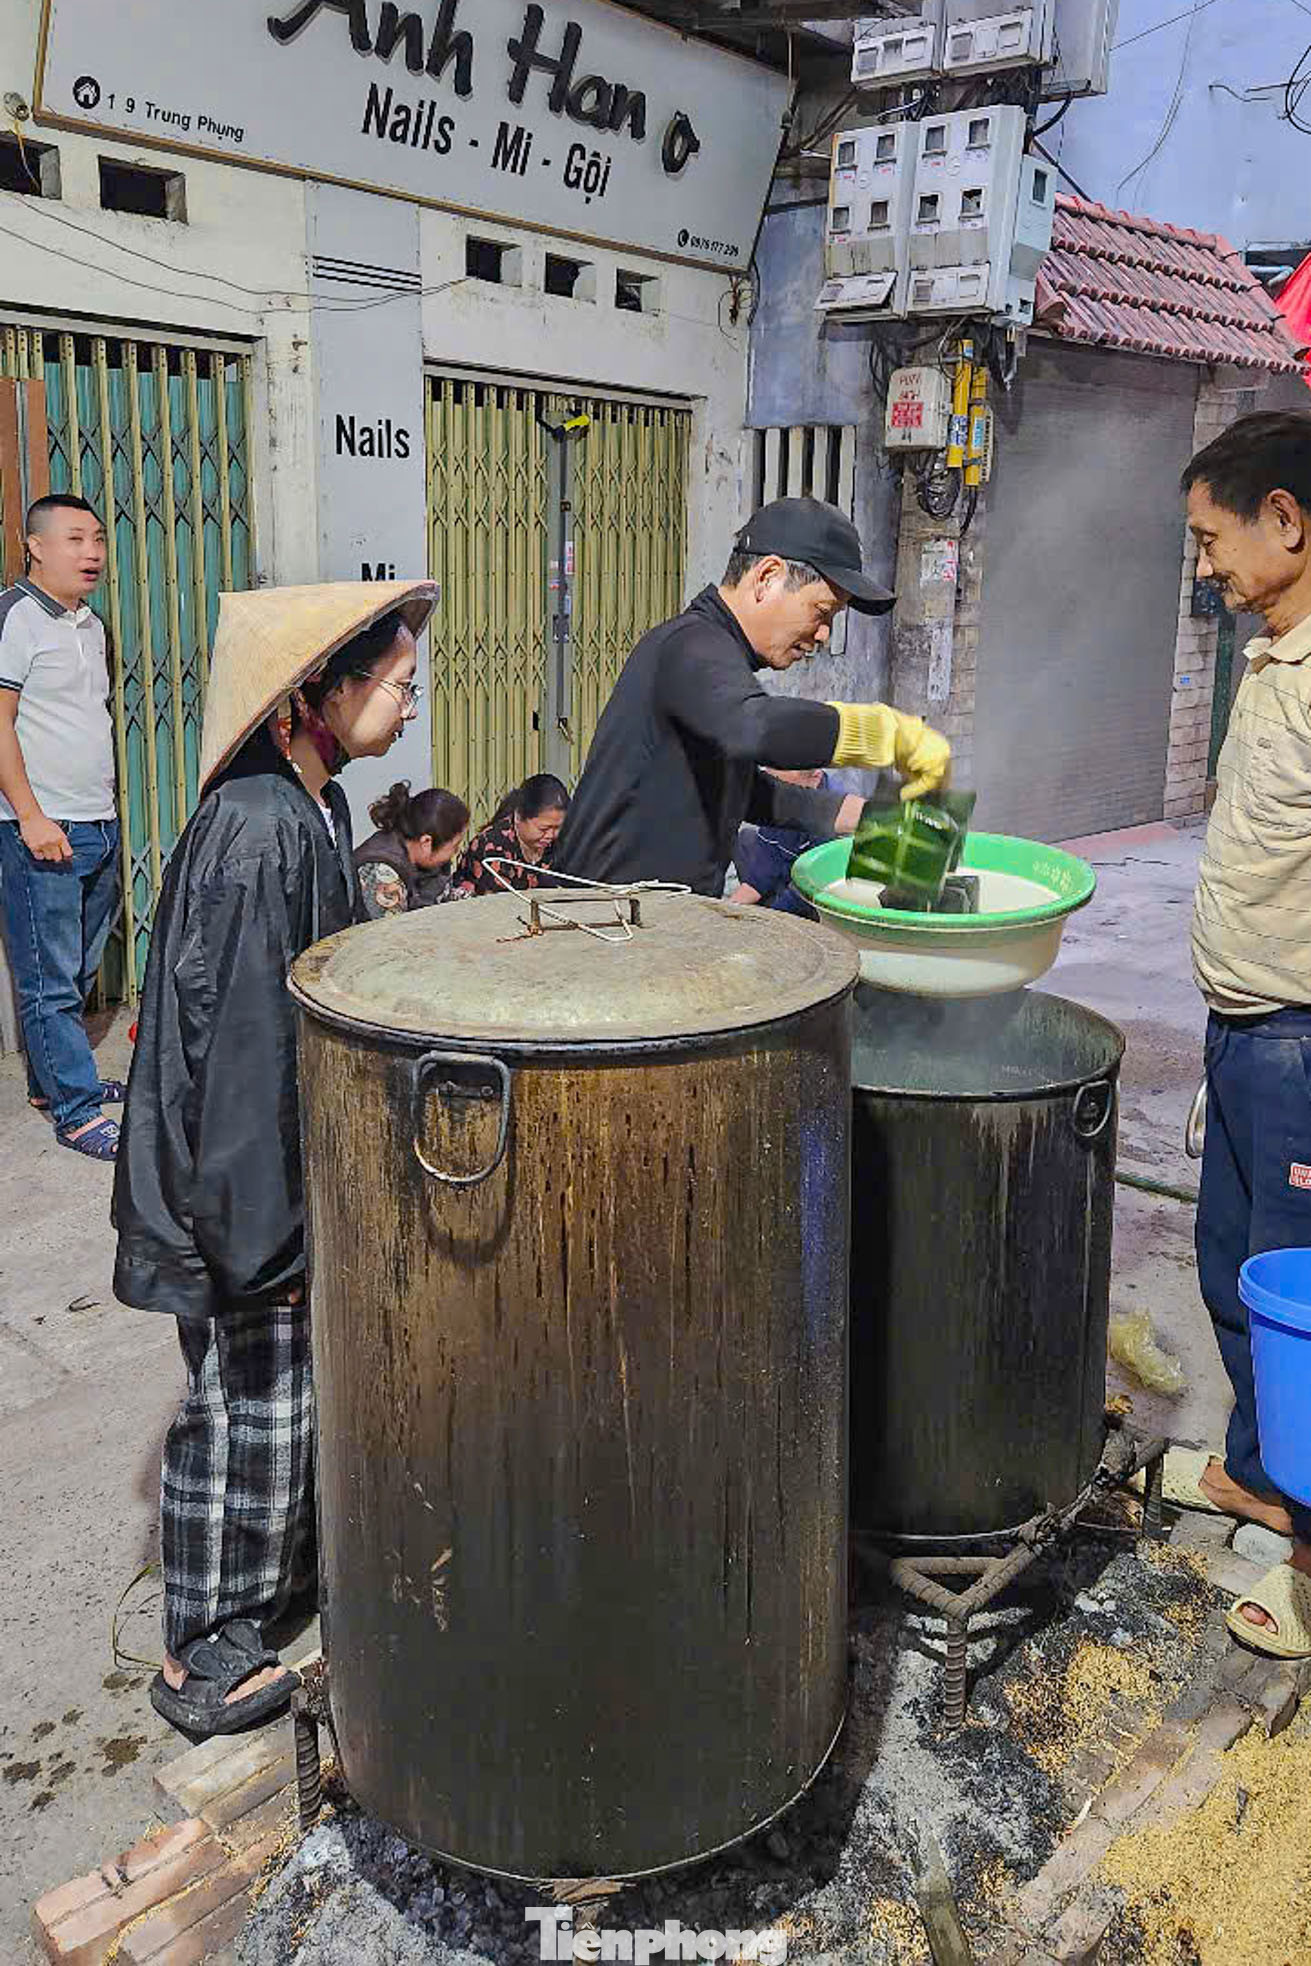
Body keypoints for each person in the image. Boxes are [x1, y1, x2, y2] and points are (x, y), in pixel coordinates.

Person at [112, 578, 437, 1737]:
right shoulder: (259, 831)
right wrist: (265, 1240)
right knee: (244, 1409)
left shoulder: (305, 805)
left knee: (280, 1404)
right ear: (319, 695)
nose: (408, 707)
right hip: (237, 1185)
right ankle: (207, 1655)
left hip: (259, 1177)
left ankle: (268, 1589)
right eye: (396, 686)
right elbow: (238, 1050)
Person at [1183, 410, 1311, 1658]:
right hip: (1242, 1029)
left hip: (1300, 1045)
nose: (1205, 566)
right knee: (1231, 1268)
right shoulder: (1274, 658)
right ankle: (1264, 1474)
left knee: (1300, 1297)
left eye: (1214, 538)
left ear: (1288, 520)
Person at [552, 497, 950, 895]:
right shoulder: (691, 645)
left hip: (659, 926)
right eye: (822, 611)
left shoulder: (714, 658)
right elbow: (753, 727)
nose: (824, 634)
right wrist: (884, 734)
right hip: (604, 927)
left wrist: (874, 821)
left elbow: (745, 792)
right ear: (767, 577)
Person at [0, 493, 124, 1159]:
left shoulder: (90, 623)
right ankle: (74, 1113)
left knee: (75, 966)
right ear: (36, 546)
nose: (93, 552)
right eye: (75, 539)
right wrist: (29, 814)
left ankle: (55, 1082)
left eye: (98, 539)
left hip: (95, 822)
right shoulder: (15, 617)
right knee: (48, 976)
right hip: (40, 828)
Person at [729, 767, 836, 919]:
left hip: (813, 896)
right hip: (786, 872)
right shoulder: (776, 798)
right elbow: (763, 867)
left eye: (786, 788)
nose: (778, 794)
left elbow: (805, 892)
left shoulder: (835, 821)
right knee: (745, 838)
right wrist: (728, 909)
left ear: (815, 778)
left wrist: (771, 919)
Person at [354, 779, 469, 916]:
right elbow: (390, 932)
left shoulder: (431, 863)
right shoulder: (380, 869)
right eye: (454, 846)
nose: (456, 852)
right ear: (426, 842)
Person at [455, 772, 570, 895]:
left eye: (557, 827)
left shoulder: (559, 842)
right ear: (519, 817)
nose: (551, 835)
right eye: (543, 829)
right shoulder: (492, 847)